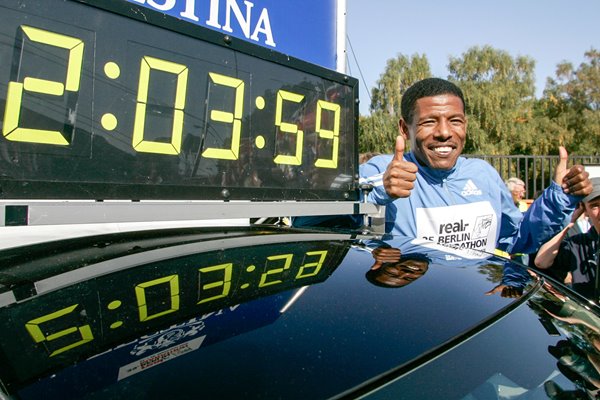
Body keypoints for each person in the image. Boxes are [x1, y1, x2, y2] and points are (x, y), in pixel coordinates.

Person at [359, 77, 592, 260]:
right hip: (411, 312)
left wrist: (560, 197)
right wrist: (379, 190)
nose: (444, 132)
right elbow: (326, 215)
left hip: (477, 310)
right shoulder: (383, 171)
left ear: (465, 125)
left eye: (455, 121)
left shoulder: (483, 174)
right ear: (404, 127)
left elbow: (517, 238)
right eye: (429, 121)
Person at [534, 177, 600, 300]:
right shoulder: (578, 244)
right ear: (584, 209)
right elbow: (541, 262)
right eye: (595, 206)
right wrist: (569, 222)